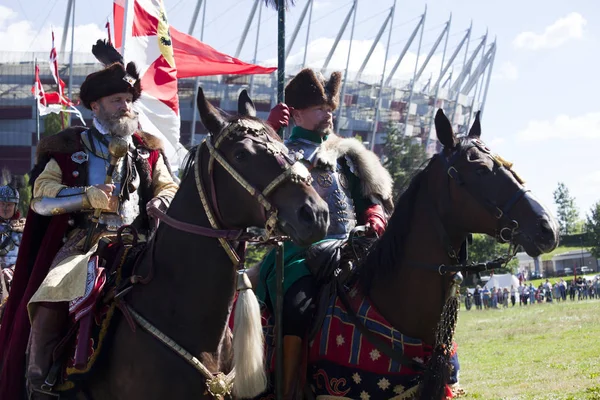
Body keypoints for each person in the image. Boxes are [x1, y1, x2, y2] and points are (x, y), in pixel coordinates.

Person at [0, 40, 179, 399]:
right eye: (117, 101)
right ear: (96, 106)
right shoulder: (68, 148)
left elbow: (169, 185)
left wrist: (161, 199)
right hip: (86, 247)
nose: (126, 107)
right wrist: (86, 196)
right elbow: (40, 199)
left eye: (129, 101)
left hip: (140, 245)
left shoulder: (147, 149)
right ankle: (41, 375)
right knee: (53, 291)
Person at [257, 68, 393, 398]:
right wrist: (269, 130)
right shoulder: (280, 155)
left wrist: (374, 219)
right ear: (297, 113)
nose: (328, 116)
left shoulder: (349, 155)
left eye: (331, 109)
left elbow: (371, 198)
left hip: (353, 248)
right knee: (297, 306)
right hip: (298, 255)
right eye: (320, 109)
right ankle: (289, 388)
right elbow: (257, 195)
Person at [0, 185, 25, 299]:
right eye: (2, 204)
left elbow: (28, 257)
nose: (5, 208)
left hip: (15, 278)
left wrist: (12, 271)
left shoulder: (23, 229)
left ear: (15, 206)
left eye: (9, 205)